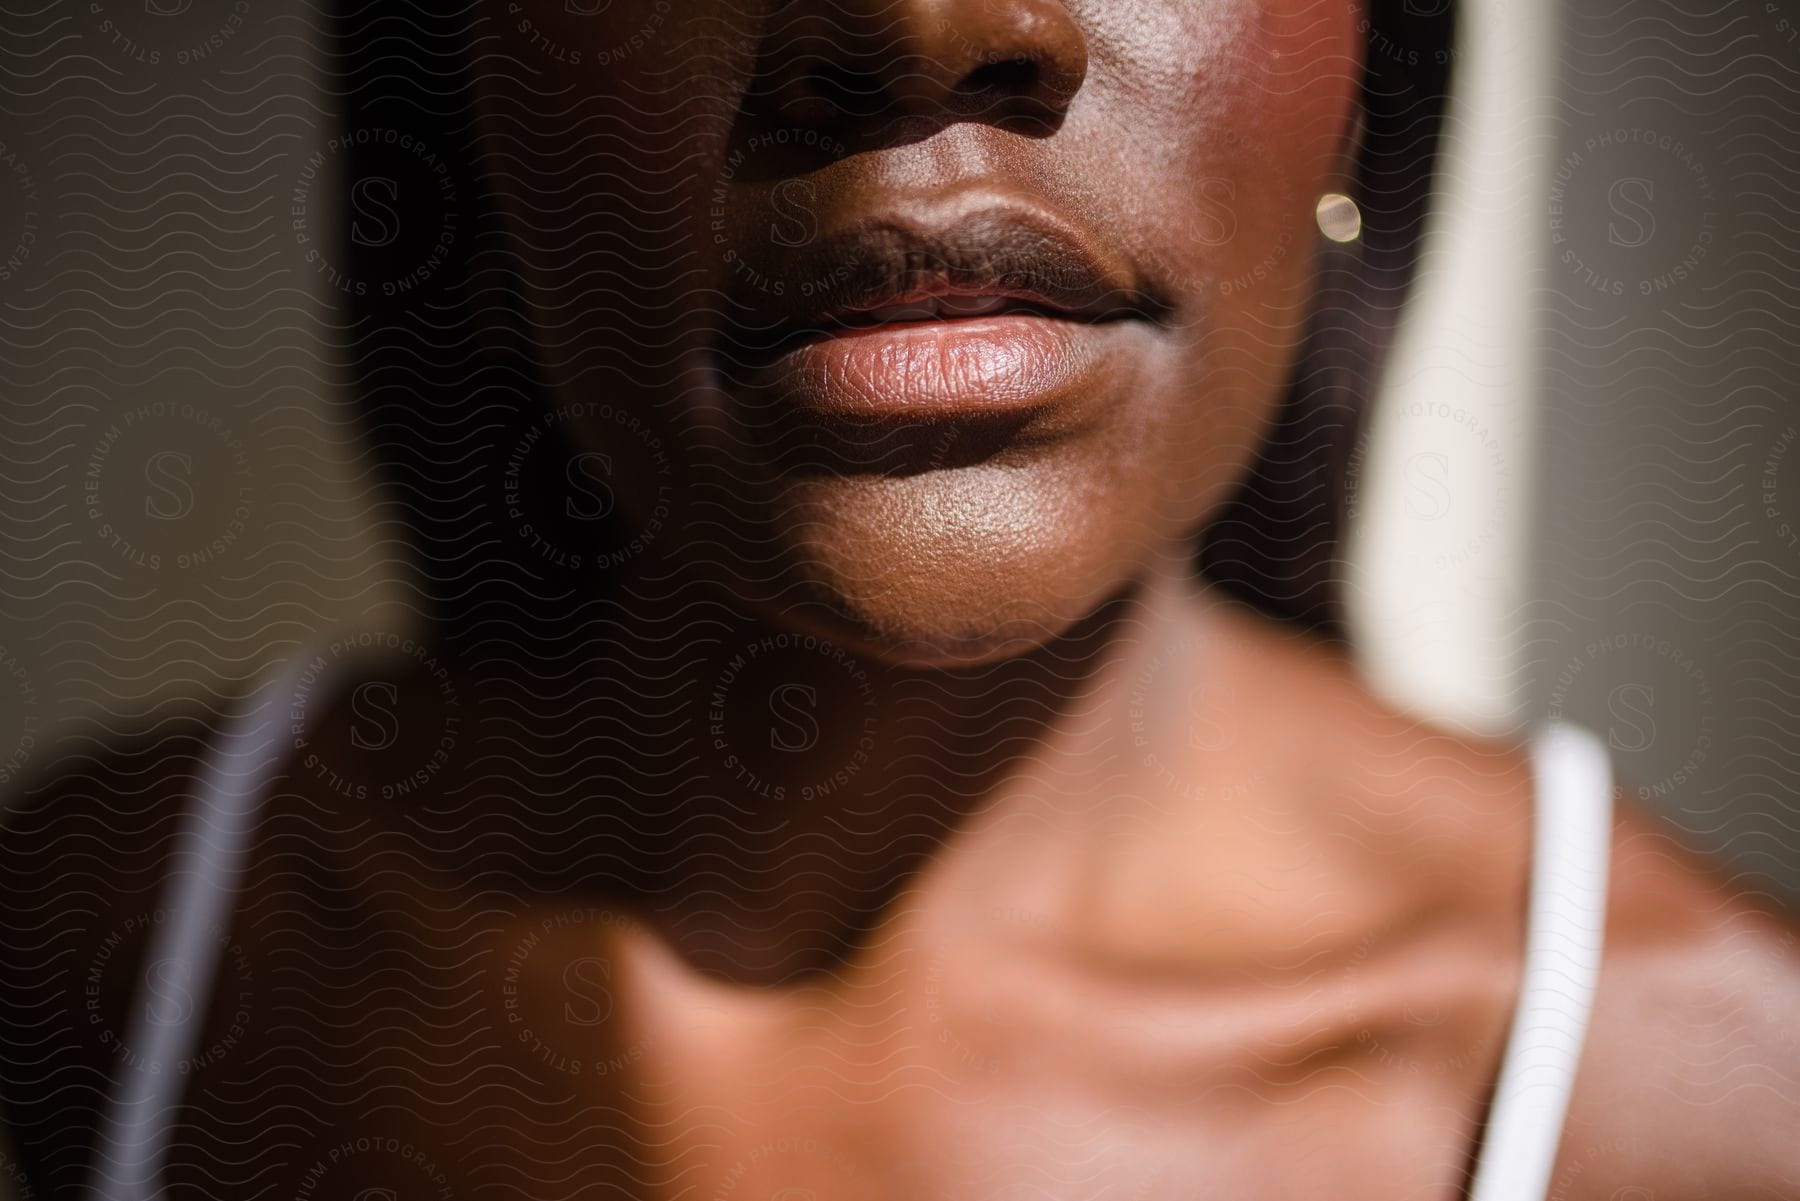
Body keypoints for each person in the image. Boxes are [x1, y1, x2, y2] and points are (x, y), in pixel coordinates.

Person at [1, 1, 1794, 1198]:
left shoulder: (1704, 1108)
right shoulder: (125, 942)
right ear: (454, 112)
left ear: (1364, 81)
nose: (927, 26)